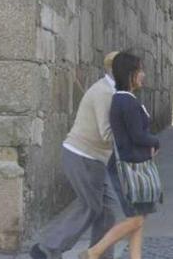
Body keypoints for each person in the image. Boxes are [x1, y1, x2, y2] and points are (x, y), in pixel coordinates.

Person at [31, 51, 121, 259]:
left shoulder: (115, 92)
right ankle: (48, 248)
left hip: (95, 159)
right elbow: (106, 133)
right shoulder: (104, 93)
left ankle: (99, 254)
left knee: (107, 208)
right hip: (82, 156)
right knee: (91, 206)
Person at [82, 52, 160, 259]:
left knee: (139, 218)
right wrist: (155, 141)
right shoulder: (126, 102)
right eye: (140, 71)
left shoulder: (123, 99)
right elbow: (137, 136)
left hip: (132, 164)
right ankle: (94, 252)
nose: (143, 75)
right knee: (136, 220)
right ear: (129, 74)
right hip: (131, 168)